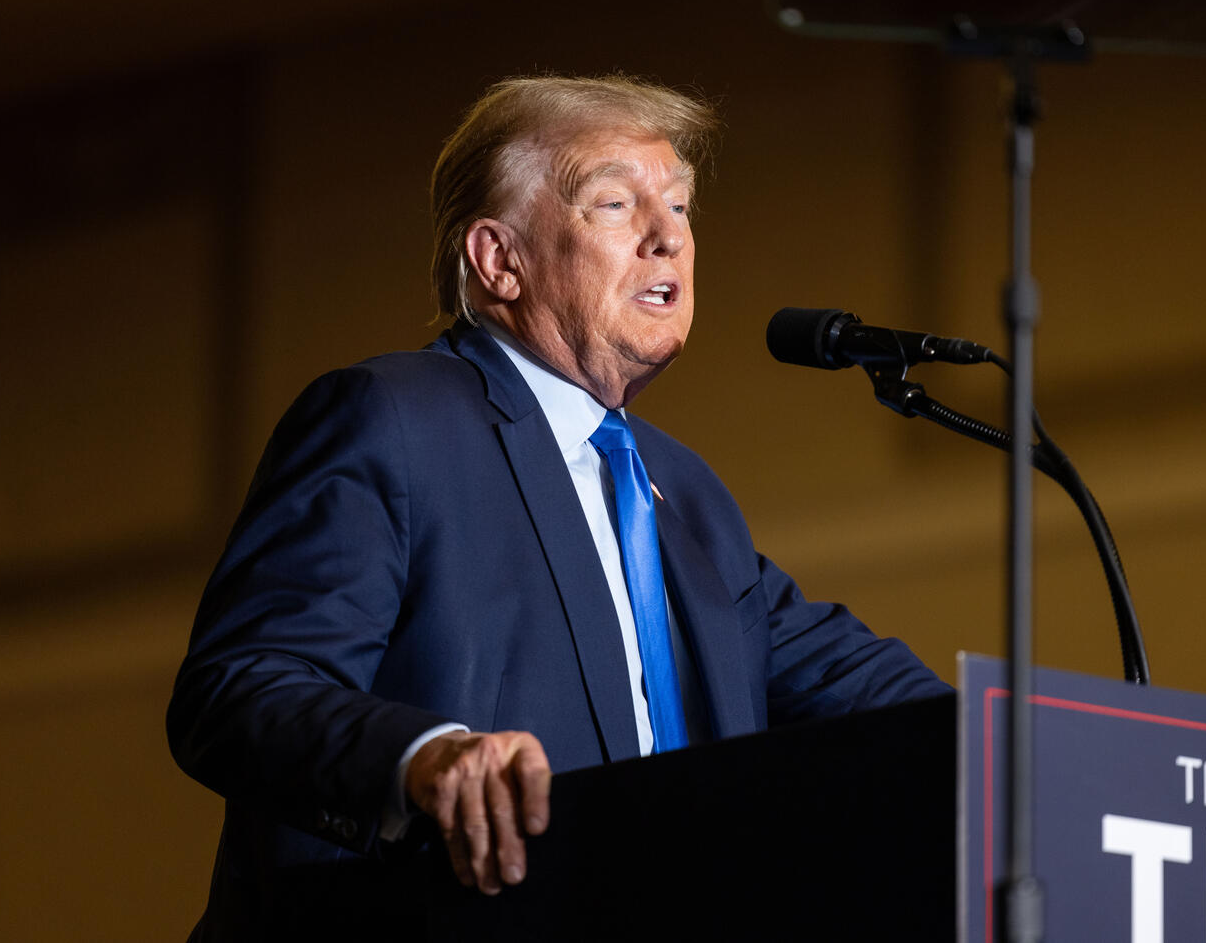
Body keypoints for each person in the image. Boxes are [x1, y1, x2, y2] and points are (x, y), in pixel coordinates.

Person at [166, 73, 950, 939]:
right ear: (499, 259)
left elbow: (866, 689)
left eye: (681, 207)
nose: (669, 240)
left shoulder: (685, 497)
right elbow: (238, 691)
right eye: (616, 204)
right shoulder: (393, 420)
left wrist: (1038, 750)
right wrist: (425, 760)